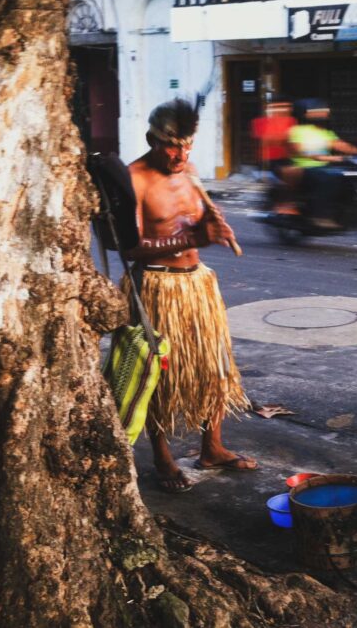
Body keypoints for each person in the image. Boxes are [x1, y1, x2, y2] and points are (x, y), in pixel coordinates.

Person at [124, 99, 257, 493]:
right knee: (159, 377)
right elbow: (129, 247)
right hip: (158, 287)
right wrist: (193, 237)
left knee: (214, 371)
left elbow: (198, 225)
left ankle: (211, 447)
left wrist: (211, 224)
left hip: (197, 285)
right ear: (152, 138)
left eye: (187, 145)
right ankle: (162, 457)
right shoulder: (135, 179)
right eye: (171, 146)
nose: (180, 155)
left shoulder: (191, 171)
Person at [288, 98, 357, 228]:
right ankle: (320, 215)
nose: (322, 114)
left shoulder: (324, 132)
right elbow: (300, 151)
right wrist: (326, 158)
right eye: (317, 112)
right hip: (305, 168)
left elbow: (340, 145)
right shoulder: (297, 131)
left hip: (324, 167)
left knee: (347, 178)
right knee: (328, 179)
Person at [251, 96, 298, 214]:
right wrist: (285, 138)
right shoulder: (260, 122)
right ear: (271, 108)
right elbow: (265, 140)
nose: (284, 110)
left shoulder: (291, 121)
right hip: (268, 160)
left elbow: (294, 141)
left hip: (287, 157)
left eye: (287, 107)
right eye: (280, 107)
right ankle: (282, 205)